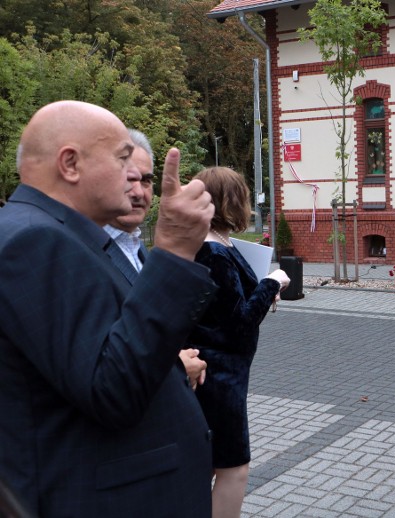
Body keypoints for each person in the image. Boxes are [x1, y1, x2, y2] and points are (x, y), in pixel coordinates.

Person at [0, 100, 217, 515]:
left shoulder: (54, 232)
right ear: (70, 164)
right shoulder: (35, 241)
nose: (132, 175)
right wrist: (172, 250)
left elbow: (90, 357)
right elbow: (112, 389)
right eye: (121, 159)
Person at [190, 167, 290, 518]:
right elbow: (239, 324)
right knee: (233, 467)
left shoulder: (214, 242)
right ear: (231, 200)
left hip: (219, 371)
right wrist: (272, 283)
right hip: (219, 376)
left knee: (211, 465)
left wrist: (260, 292)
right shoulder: (214, 251)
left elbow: (227, 308)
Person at [103, 129, 207, 388]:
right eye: (129, 179)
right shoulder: (84, 250)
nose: (138, 192)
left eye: (146, 180)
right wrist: (177, 366)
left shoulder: (138, 248)